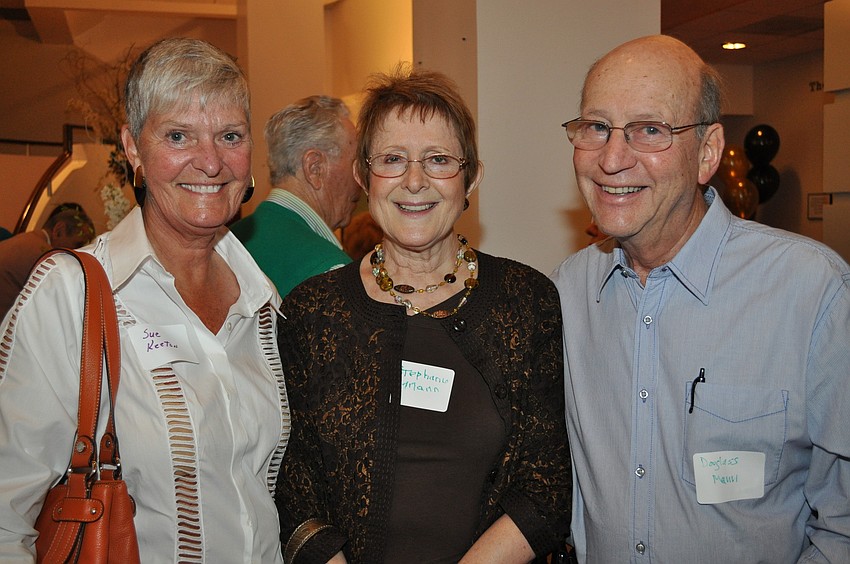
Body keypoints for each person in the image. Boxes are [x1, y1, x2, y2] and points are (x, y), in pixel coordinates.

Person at [551, 35, 850, 563]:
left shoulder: (812, 292)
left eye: (650, 130)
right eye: (596, 127)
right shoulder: (566, 295)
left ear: (707, 152)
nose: (612, 158)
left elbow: (843, 524)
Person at [0, 37, 290, 562]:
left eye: (230, 135)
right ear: (133, 147)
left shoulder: (261, 302)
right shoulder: (74, 294)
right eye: (178, 135)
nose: (210, 162)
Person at [275, 66, 571, 564]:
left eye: (438, 160)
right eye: (393, 159)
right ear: (363, 176)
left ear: (472, 176)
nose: (415, 181)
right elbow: (296, 486)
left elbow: (547, 485)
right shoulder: (312, 312)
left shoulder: (527, 301)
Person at [230, 95, 361, 297]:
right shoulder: (331, 273)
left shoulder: (227, 241)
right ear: (314, 168)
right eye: (355, 164)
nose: (361, 179)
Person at [0, 202, 94, 319]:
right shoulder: (44, 256)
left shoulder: (28, 239)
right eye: (77, 244)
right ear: (59, 230)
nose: (77, 252)